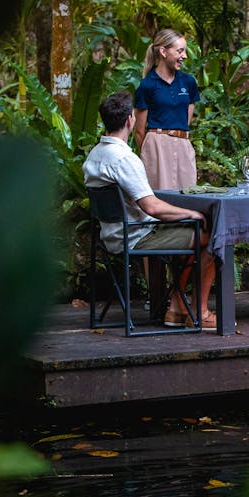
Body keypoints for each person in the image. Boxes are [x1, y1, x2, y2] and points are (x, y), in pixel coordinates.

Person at [84, 91, 217, 329]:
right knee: (212, 235)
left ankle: (176, 306)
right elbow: (152, 206)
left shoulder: (95, 156)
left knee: (186, 232)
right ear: (129, 120)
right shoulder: (124, 158)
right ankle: (199, 310)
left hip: (109, 236)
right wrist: (191, 213)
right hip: (135, 236)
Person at [133, 29, 200, 190]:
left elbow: (185, 120)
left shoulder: (189, 82)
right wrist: (150, 154)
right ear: (163, 51)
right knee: (160, 195)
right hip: (156, 145)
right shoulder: (147, 85)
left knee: (188, 194)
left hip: (183, 144)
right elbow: (139, 131)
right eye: (180, 51)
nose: (184, 56)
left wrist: (179, 139)